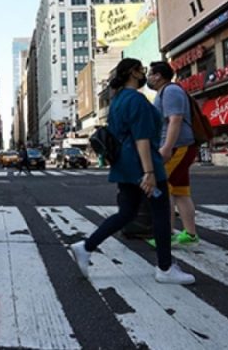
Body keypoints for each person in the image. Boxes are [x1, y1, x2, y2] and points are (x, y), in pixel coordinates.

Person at [69, 58, 195, 285]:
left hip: (124, 165)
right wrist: (149, 172)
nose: (145, 74)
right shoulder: (136, 100)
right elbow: (142, 138)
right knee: (160, 213)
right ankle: (165, 268)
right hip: (142, 164)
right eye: (142, 70)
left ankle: (86, 246)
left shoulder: (117, 99)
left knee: (126, 213)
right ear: (133, 73)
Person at [147, 61, 199, 247]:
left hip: (177, 146)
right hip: (179, 146)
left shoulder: (170, 91)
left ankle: (165, 235)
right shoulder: (166, 92)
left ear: (158, 75)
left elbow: (175, 120)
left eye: (150, 74)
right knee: (180, 191)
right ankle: (190, 236)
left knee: (162, 189)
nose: (148, 78)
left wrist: (167, 148)